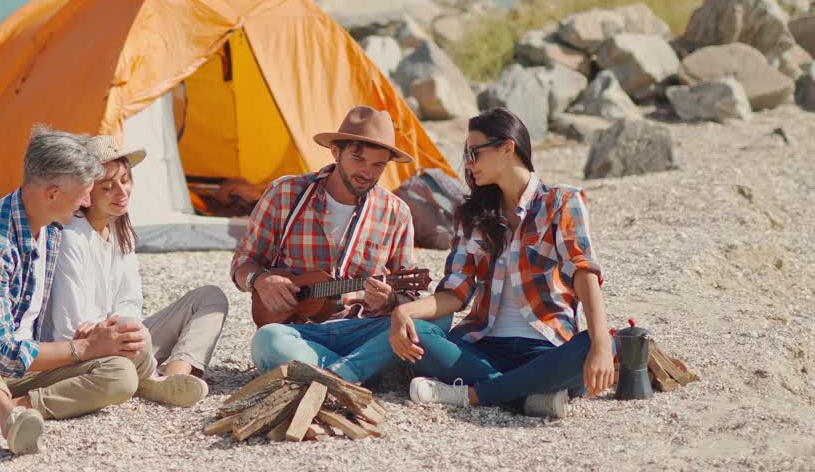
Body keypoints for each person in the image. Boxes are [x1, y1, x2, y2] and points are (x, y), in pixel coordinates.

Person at [0, 126, 146, 456]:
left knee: (120, 375)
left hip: (21, 370)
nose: (86, 202)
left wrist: (99, 343)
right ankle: (8, 418)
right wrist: (85, 347)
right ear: (52, 194)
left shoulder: (51, 227)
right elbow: (3, 353)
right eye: (83, 193)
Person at [388, 107, 615, 418]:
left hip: (545, 349)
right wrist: (404, 311)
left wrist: (600, 344)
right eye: (466, 155)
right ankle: (524, 397)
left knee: (602, 345)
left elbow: (583, 271)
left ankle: (469, 395)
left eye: (474, 153)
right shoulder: (473, 217)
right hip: (483, 347)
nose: (468, 163)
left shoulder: (562, 202)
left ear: (507, 148)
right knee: (420, 336)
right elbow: (456, 293)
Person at [230, 105, 426, 384]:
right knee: (267, 339)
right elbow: (242, 262)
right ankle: (355, 373)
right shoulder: (285, 193)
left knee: (431, 322)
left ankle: (325, 375)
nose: (367, 172)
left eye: (378, 165)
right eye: (358, 159)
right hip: (300, 334)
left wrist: (392, 301)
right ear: (335, 151)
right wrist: (260, 279)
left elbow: (411, 295)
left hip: (362, 329)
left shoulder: (396, 212)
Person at [44, 136, 229, 407]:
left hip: (121, 341)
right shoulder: (71, 237)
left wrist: (123, 326)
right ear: (85, 194)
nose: (122, 192)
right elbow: (70, 328)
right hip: (82, 353)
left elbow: (130, 301)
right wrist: (116, 330)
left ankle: (173, 375)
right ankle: (151, 380)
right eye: (108, 187)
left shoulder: (119, 230)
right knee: (126, 344)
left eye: (125, 180)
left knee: (211, 298)